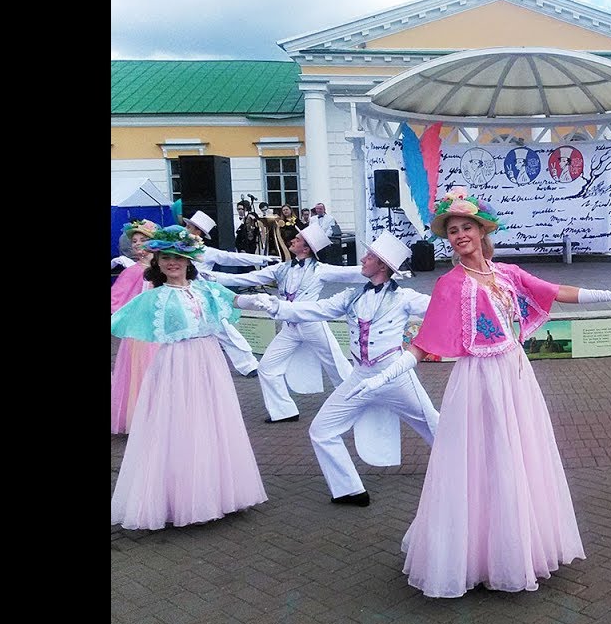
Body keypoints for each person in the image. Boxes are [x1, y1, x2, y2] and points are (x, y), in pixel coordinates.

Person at [352, 187, 611, 597]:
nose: (460, 234)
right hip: (477, 380)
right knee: (477, 458)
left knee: (517, 455)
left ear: (482, 231)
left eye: (467, 227)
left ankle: (515, 547)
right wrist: (384, 376)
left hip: (515, 376)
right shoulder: (450, 284)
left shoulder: (508, 274)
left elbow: (555, 291)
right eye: (452, 230)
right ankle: (472, 552)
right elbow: (423, 341)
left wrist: (609, 295)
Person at [245, 232, 438, 506]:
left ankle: (462, 471)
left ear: (382, 265)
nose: (363, 258)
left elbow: (442, 308)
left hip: (395, 377)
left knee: (433, 424)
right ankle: (349, 489)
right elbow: (314, 309)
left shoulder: (405, 298)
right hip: (359, 377)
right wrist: (277, 306)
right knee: (321, 430)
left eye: (369, 256)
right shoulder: (351, 297)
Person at [110, 225, 268, 530]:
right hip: (175, 364)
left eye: (178, 258)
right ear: (157, 263)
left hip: (209, 361)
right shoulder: (153, 298)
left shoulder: (203, 289)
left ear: (188, 261)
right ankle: (178, 498)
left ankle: (219, 493)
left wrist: (257, 302)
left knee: (213, 422)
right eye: (165, 258)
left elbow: (232, 300)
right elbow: (118, 317)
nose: (172, 263)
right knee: (179, 425)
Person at [204, 222, 369, 423]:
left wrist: (386, 271)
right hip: (289, 328)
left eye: (297, 239)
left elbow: (352, 273)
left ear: (307, 249)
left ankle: (358, 403)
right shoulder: (281, 269)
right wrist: (212, 277)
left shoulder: (320, 270)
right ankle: (284, 411)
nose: (292, 240)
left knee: (338, 366)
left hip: (311, 325)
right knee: (266, 367)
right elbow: (249, 278)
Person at [181, 210, 277, 377]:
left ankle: (249, 365)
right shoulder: (177, 249)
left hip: (202, 297)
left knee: (224, 330)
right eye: (187, 226)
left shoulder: (206, 252)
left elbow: (231, 258)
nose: (185, 229)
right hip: (180, 295)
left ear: (198, 232)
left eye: (189, 227)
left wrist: (261, 259)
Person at [111, 219, 160, 434]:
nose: (137, 244)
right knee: (142, 373)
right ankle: (144, 417)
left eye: (143, 240)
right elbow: (116, 301)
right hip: (141, 334)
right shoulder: (132, 272)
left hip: (161, 331)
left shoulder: (162, 270)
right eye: (135, 241)